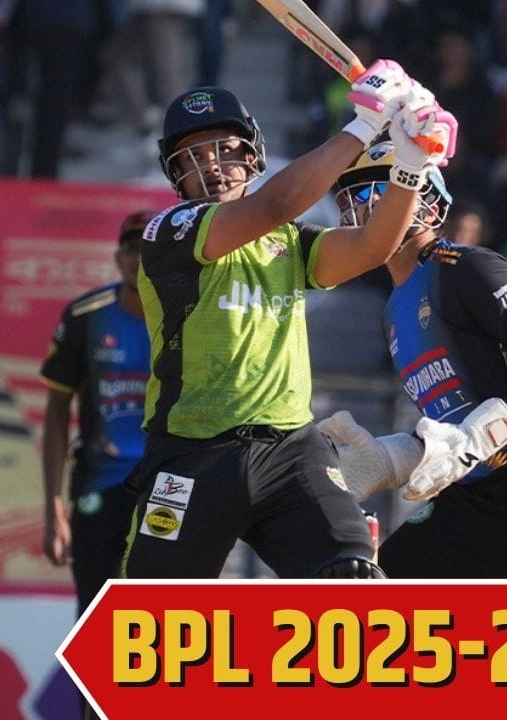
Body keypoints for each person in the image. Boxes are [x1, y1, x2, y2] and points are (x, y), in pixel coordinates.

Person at [121, 66, 456, 580]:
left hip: (290, 450)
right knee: (150, 617)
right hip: (193, 452)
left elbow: (371, 248)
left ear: (252, 154)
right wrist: (365, 125)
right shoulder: (170, 232)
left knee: (352, 577)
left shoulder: (291, 241)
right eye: (194, 156)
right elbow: (275, 203)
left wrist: (410, 163)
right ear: (175, 173)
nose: (213, 166)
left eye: (226, 149)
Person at [317, 136, 507, 578]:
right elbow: (451, 422)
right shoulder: (392, 311)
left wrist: (480, 436)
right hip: (471, 497)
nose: (365, 210)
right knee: (369, 592)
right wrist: (393, 457)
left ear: (430, 207)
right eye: (353, 200)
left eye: (380, 193)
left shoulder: (468, 267)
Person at [41, 210, 153, 613]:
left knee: (163, 614)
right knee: (97, 616)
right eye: (132, 249)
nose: (140, 259)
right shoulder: (86, 317)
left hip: (167, 488)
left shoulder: (191, 316)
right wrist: (54, 507)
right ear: (117, 258)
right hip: (100, 484)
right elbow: (57, 410)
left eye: (149, 249)